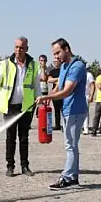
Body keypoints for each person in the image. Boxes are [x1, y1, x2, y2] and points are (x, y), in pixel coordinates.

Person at [0, 36, 41, 177]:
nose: (18, 50)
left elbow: (36, 85)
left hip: (26, 107)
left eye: (21, 47)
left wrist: (40, 97)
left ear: (27, 48)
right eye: (16, 47)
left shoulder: (33, 65)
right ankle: (10, 166)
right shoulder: (6, 64)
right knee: (10, 137)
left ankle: (25, 166)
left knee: (24, 137)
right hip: (10, 107)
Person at [37, 38, 87, 190]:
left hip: (75, 111)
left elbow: (67, 91)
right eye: (54, 54)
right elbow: (58, 86)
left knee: (70, 146)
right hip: (67, 110)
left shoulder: (77, 66)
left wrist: (46, 97)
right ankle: (73, 178)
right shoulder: (65, 66)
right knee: (72, 145)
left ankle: (66, 178)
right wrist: (49, 97)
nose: (56, 57)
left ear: (67, 49)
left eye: (58, 52)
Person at [46, 57, 64, 130]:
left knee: (64, 109)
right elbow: (49, 80)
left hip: (63, 92)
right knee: (56, 110)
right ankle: (57, 125)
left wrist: (56, 80)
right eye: (54, 62)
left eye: (56, 61)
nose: (55, 63)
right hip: (55, 92)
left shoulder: (64, 70)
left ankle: (65, 124)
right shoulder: (52, 71)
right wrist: (59, 79)